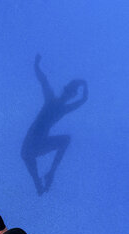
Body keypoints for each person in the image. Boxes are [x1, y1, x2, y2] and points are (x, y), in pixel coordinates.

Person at [21, 54, 88, 195]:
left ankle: (48, 174)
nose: (69, 95)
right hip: (30, 145)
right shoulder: (51, 100)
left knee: (65, 140)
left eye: (71, 94)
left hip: (35, 145)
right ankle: (41, 180)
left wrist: (83, 83)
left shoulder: (63, 107)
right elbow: (43, 79)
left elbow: (83, 100)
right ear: (65, 91)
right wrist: (36, 64)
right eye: (69, 92)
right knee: (33, 167)